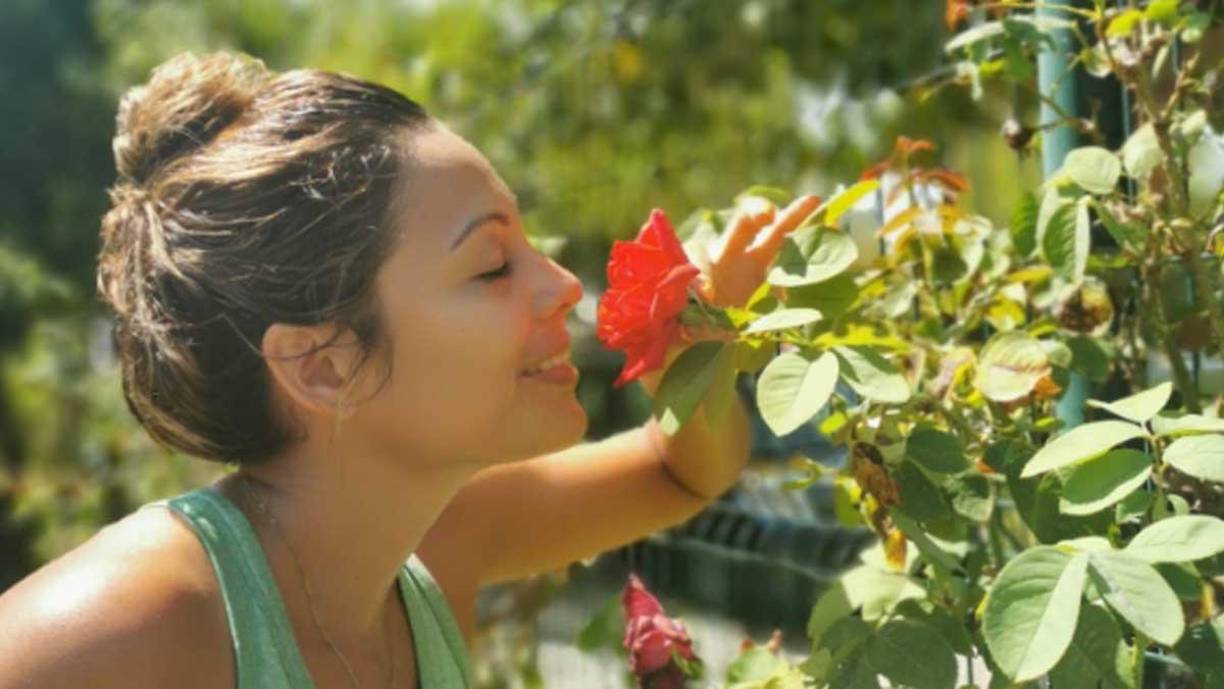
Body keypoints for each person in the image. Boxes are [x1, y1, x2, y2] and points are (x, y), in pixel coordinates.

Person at [0, 50, 816, 689]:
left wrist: (696, 344)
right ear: (324, 365)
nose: (563, 285)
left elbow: (681, 473)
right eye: (493, 265)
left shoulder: (430, 544)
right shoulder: (128, 628)